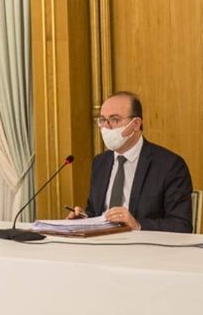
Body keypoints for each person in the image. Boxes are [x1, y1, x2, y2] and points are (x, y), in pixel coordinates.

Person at [68, 92, 193, 232]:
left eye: (114, 119)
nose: (106, 127)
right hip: (101, 242)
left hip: (143, 244)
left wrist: (137, 225)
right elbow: (95, 212)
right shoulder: (100, 162)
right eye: (102, 120)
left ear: (136, 124)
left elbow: (181, 225)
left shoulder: (170, 165)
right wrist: (84, 220)